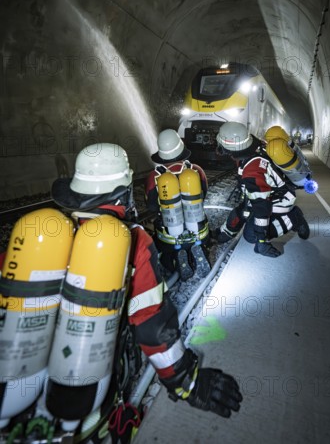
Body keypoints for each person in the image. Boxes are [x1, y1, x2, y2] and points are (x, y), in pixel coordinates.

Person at [47, 143, 242, 441]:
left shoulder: (46, 235)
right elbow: (152, 325)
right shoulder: (132, 241)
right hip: (90, 379)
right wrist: (185, 381)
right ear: (123, 190)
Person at [214, 122, 310, 257]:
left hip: (279, 199)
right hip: (267, 191)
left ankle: (295, 218)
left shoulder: (252, 172)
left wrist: (261, 241)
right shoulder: (254, 146)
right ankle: (224, 233)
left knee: (251, 235)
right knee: (241, 212)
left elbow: (261, 207)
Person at [145, 129, 211, 280]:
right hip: (198, 228)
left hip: (169, 233)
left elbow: (152, 207)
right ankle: (200, 251)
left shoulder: (154, 176)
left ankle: (175, 260)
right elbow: (203, 194)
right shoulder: (196, 170)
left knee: (165, 255)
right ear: (181, 147)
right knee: (201, 239)